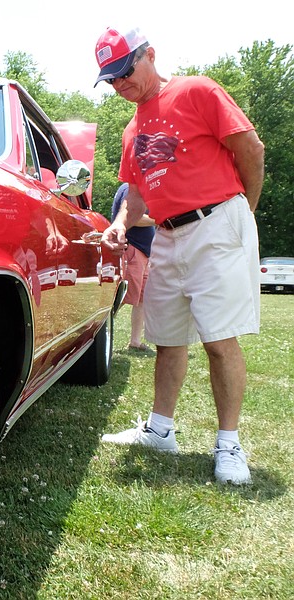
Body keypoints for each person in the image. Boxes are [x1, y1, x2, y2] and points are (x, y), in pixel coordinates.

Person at [94, 26, 265, 485]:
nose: (119, 85)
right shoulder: (132, 128)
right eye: (109, 80)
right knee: (168, 339)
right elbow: (136, 192)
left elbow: (250, 146)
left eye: (124, 71)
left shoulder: (196, 89)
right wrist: (117, 224)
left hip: (216, 224)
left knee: (218, 338)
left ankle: (228, 443)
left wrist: (243, 210)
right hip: (167, 235)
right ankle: (161, 430)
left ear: (149, 54)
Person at [111, 181, 155, 352]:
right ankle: (97, 333)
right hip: (132, 250)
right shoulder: (131, 189)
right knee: (121, 298)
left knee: (141, 299)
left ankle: (135, 341)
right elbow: (131, 218)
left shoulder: (141, 190)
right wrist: (158, 219)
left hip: (143, 253)